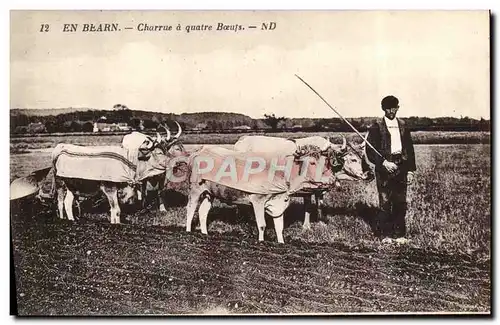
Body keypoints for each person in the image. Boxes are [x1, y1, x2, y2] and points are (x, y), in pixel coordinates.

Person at [365, 95, 416, 244]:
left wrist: (410, 170)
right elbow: (370, 150)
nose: (392, 111)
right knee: (385, 201)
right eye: (388, 108)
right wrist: (383, 163)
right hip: (384, 168)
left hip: (401, 166)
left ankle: (400, 235)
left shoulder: (403, 125)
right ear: (384, 109)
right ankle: (385, 235)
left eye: (394, 108)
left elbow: (409, 148)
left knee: (400, 201)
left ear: (398, 108)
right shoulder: (376, 126)